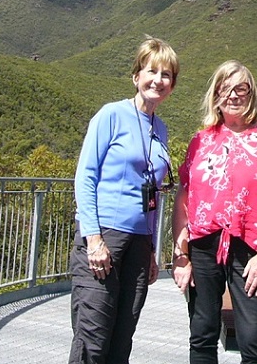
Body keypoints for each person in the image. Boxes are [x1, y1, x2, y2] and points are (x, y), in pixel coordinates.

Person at [172, 60, 257, 364]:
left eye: (240, 88)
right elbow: (183, 199)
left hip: (251, 249)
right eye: (225, 89)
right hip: (203, 247)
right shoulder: (201, 141)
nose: (232, 95)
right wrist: (181, 255)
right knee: (202, 333)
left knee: (254, 339)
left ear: (251, 93)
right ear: (215, 95)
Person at [68, 36, 179, 364]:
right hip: (104, 238)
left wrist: (153, 252)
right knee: (94, 333)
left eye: (167, 75)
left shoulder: (161, 128)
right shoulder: (111, 116)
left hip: (140, 244)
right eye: (152, 71)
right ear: (136, 76)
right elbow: (85, 177)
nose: (158, 80)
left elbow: (155, 193)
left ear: (172, 85)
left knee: (122, 335)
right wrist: (93, 240)